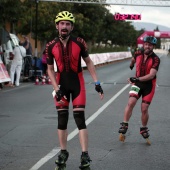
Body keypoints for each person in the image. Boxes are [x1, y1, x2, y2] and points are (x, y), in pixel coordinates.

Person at [46, 11, 104, 169]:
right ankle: (63, 152)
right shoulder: (50, 45)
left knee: (80, 119)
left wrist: (96, 82)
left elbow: (89, 62)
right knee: (62, 120)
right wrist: (56, 88)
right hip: (61, 84)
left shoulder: (79, 42)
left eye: (68, 24)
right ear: (57, 25)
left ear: (72, 27)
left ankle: (85, 154)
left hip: (77, 83)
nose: (64, 26)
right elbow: (50, 69)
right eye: (62, 23)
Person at [118, 36, 160, 141]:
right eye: (146, 44)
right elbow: (133, 59)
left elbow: (151, 75)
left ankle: (144, 128)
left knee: (144, 108)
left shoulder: (155, 59)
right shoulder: (138, 53)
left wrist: (137, 79)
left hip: (149, 85)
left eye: (150, 45)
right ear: (143, 45)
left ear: (153, 47)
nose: (147, 46)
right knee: (131, 102)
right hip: (137, 84)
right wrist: (131, 65)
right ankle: (125, 124)